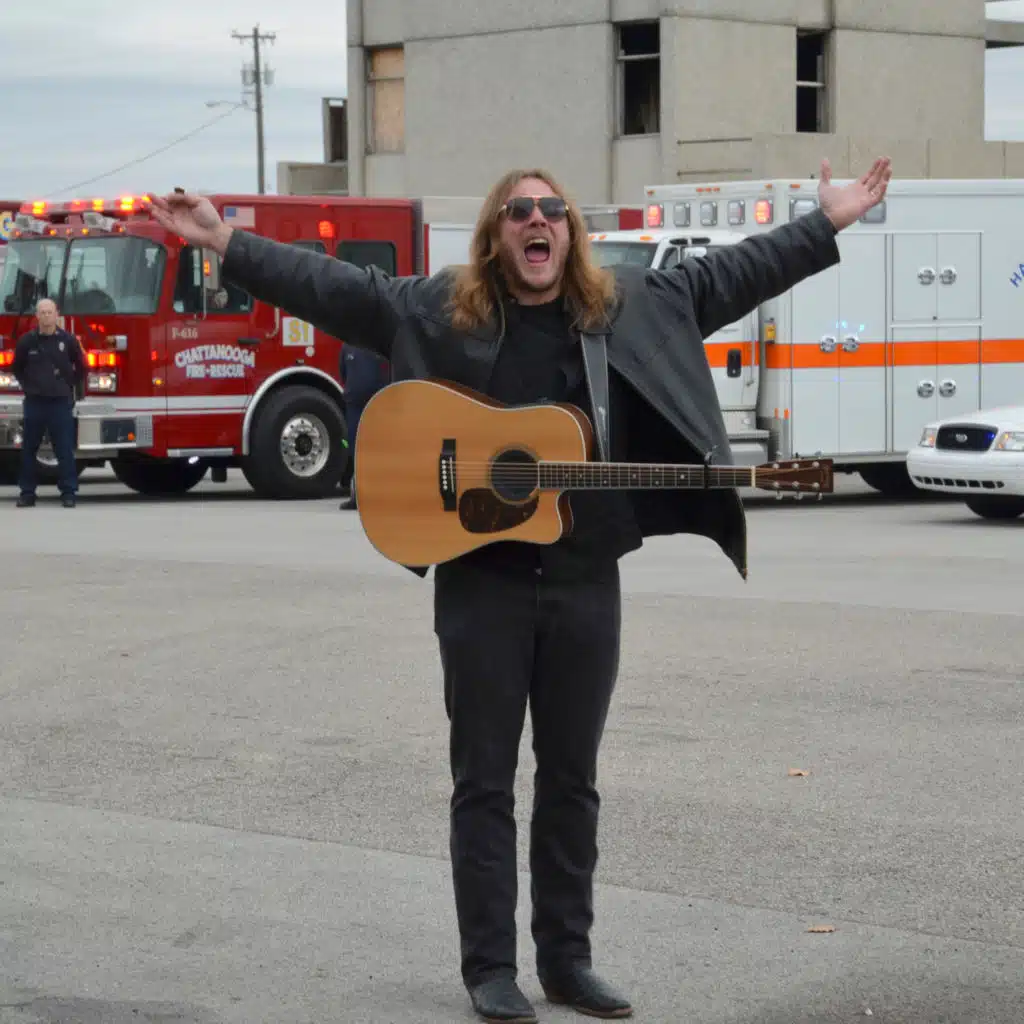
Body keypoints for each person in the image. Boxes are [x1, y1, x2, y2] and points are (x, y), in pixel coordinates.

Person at [150, 156, 891, 1023]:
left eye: (551, 210)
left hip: (585, 579)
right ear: (497, 236)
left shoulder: (632, 306)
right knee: (485, 782)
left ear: (569, 231)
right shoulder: (440, 310)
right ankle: (490, 969)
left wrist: (825, 220)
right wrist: (224, 240)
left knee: (572, 779)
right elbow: (335, 288)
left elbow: (738, 271)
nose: (537, 220)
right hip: (483, 581)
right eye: (518, 211)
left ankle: (568, 962)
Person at [10, 297, 84, 508]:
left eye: (49, 312)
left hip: (59, 403)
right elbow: (17, 367)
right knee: (29, 449)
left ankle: (68, 493)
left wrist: (68, 385)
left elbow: (81, 367)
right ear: (36, 316)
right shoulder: (27, 341)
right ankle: (27, 493)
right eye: (42, 312)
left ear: (57, 314)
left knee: (64, 449)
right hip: (35, 402)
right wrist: (28, 386)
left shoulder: (68, 341)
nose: (46, 316)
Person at [338, 342, 390, 510]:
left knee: (378, 449)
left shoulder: (377, 343)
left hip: (377, 403)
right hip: (354, 406)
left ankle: (381, 495)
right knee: (356, 450)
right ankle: (357, 497)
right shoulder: (347, 347)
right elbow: (343, 372)